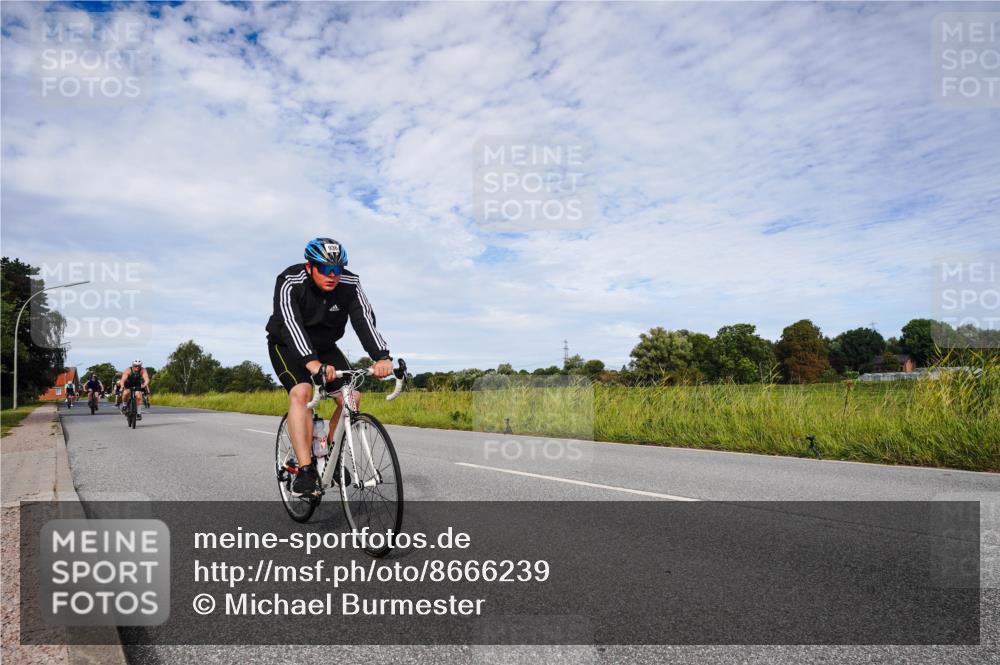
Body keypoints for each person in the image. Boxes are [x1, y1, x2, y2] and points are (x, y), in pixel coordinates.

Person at [266, 238, 393, 497]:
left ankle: (333, 458)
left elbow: (364, 320)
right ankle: (304, 469)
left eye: (338, 269)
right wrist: (312, 364)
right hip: (286, 344)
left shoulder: (350, 283)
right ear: (309, 266)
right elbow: (291, 325)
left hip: (325, 346)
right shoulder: (290, 281)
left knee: (352, 397)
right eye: (325, 269)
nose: (333, 276)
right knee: (301, 393)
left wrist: (382, 356)